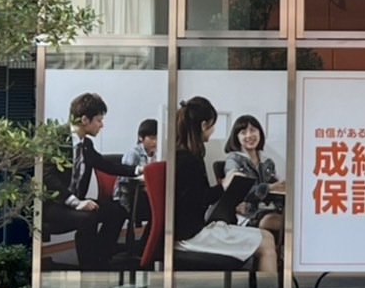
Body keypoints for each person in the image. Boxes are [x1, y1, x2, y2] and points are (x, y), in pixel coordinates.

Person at [172, 96, 277, 273]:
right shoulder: (188, 159)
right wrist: (224, 186)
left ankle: (264, 287)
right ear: (204, 125)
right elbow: (198, 199)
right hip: (191, 235)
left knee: (266, 237)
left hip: (194, 229)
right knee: (266, 241)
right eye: (212, 125)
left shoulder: (185, 155)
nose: (213, 130)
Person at [42, 92, 141, 270]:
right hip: (53, 205)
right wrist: (75, 202)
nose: (101, 125)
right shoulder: (56, 140)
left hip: (75, 202)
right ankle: (90, 269)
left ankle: (101, 257)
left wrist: (137, 170)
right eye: (99, 120)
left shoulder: (86, 144)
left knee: (117, 210)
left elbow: (105, 165)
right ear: (85, 120)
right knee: (88, 218)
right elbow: (47, 177)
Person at [222, 114, 285, 236]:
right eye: (243, 132)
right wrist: (269, 188)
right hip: (247, 215)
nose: (249, 135)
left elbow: (275, 191)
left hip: (269, 209)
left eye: (253, 130)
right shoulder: (233, 160)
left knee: (295, 218)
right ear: (236, 137)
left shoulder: (267, 162)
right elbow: (238, 192)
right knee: (289, 224)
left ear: (259, 133)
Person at [114, 118, 158, 215]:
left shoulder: (158, 154)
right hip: (130, 197)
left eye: (157, 138)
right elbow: (124, 181)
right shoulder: (133, 154)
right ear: (141, 138)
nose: (155, 142)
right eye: (152, 138)